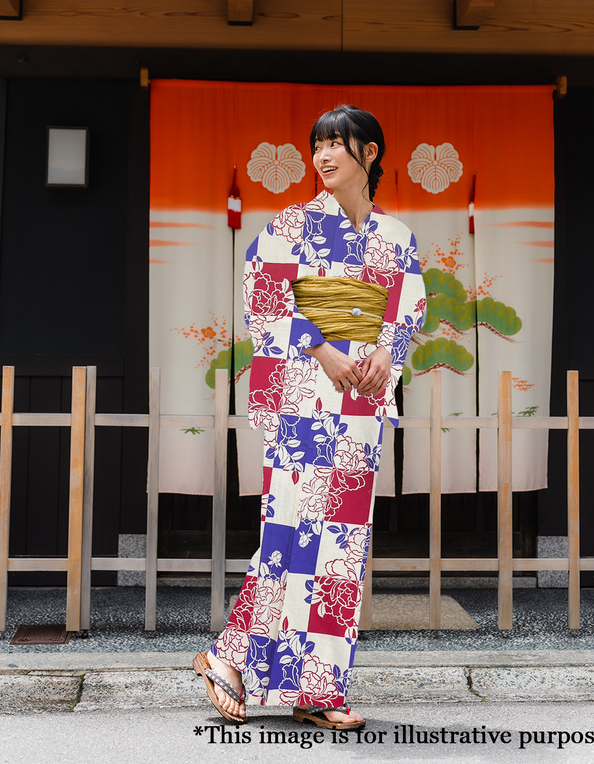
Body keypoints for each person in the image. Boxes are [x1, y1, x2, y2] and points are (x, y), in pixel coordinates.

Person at [193, 105, 427, 728]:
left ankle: (312, 686)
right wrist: (323, 349)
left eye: (337, 145)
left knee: (342, 547)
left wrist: (385, 351)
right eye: (317, 145)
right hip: (303, 396)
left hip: (360, 403)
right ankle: (236, 659)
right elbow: (263, 295)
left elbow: (408, 309)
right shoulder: (290, 226)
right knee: (292, 536)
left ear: (369, 154)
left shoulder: (397, 237)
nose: (323, 156)